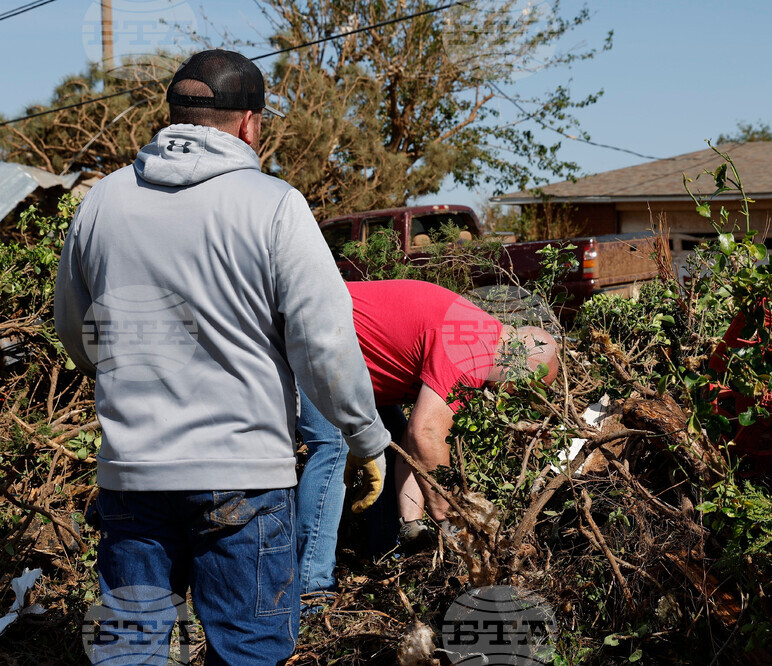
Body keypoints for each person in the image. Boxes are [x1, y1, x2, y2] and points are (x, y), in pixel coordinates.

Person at [54, 49, 390, 665]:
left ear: (173, 116)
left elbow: (76, 335)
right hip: (242, 475)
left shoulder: (101, 202)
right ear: (251, 123)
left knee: (132, 653)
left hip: (132, 472)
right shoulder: (274, 205)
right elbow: (323, 343)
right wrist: (366, 439)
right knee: (249, 652)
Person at [296, 279, 559, 598]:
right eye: (520, 389)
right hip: (309, 337)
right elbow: (426, 434)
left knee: (388, 440)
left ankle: (389, 559)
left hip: (343, 360)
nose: (507, 396)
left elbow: (411, 446)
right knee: (334, 447)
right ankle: (312, 591)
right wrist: (452, 523)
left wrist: (413, 523)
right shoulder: (475, 348)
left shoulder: (479, 335)